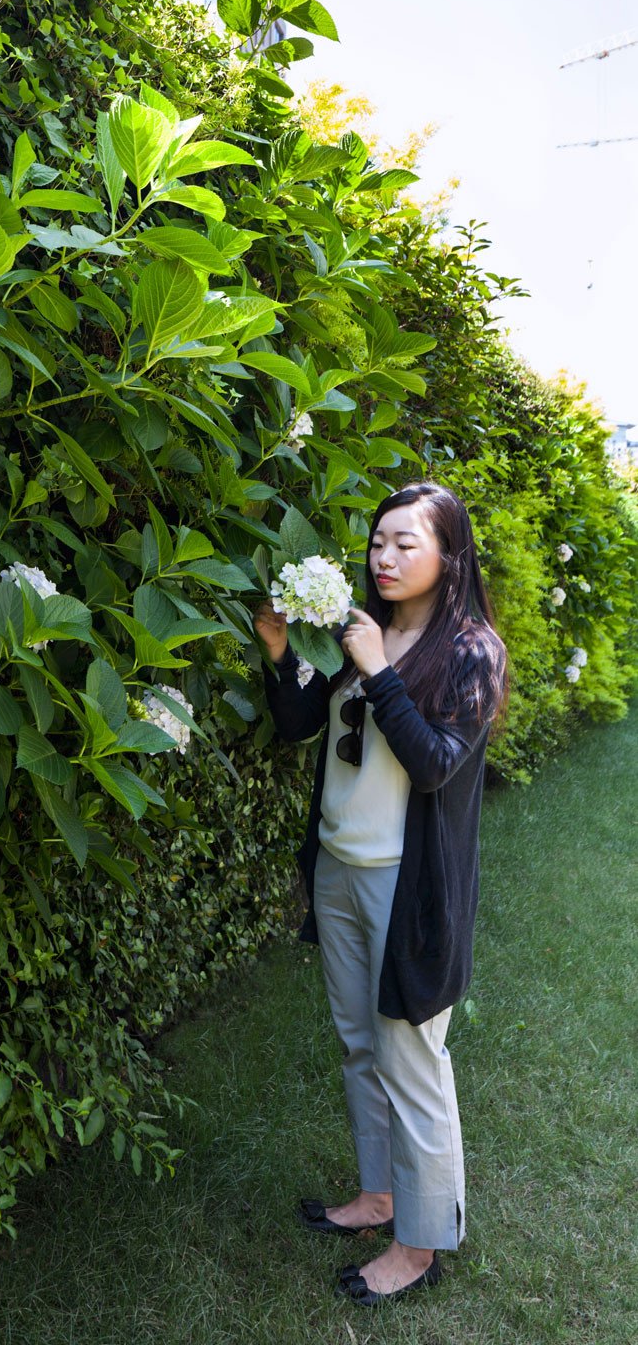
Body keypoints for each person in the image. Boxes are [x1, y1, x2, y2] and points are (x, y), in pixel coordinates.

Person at [255, 481, 508, 1309]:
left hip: (410, 889)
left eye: (406, 542)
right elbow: (303, 726)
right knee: (359, 1044)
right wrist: (278, 650)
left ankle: (422, 1241)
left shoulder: (470, 651)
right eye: (377, 542)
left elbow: (435, 761)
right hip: (337, 869)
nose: (386, 557)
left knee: (412, 1061)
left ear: (449, 553)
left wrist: (377, 672)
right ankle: (378, 1195)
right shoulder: (362, 630)